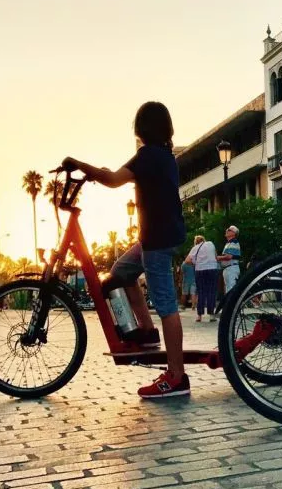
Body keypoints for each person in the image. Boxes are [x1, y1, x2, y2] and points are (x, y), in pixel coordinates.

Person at [62, 101, 189, 399]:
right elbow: (117, 174)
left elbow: (114, 179)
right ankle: (146, 331)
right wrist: (99, 172)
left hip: (157, 240)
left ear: (141, 128)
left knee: (168, 307)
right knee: (121, 272)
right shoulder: (163, 156)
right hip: (158, 236)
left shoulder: (148, 155)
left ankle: (176, 376)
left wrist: (79, 164)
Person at [185, 235, 219, 322]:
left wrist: (196, 263)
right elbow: (216, 256)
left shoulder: (195, 248)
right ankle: (211, 315)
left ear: (196, 242)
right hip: (212, 269)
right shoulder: (211, 244)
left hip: (200, 270)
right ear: (204, 240)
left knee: (201, 292)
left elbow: (187, 261)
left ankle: (199, 316)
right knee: (211, 291)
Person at [217, 225, 241, 295]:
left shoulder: (234, 242)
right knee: (228, 290)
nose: (227, 230)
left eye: (229, 229)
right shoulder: (229, 243)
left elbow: (229, 257)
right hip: (228, 268)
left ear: (234, 233)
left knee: (231, 289)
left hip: (231, 268)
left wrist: (217, 257)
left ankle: (232, 305)